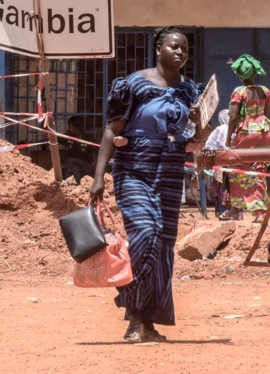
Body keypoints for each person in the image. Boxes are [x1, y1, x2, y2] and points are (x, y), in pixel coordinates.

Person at [89, 26, 209, 343]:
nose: (181, 52)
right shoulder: (134, 84)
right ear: (158, 48)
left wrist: (198, 123)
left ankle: (147, 322)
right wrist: (99, 176)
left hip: (170, 172)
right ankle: (133, 313)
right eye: (174, 46)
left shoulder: (190, 91)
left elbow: (197, 140)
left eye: (185, 48)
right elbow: (110, 130)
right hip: (134, 170)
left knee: (163, 247)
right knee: (145, 233)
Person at [222, 54, 270, 224]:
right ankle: (259, 212)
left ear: (240, 75)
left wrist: (228, 139)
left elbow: (233, 118)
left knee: (237, 168)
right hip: (264, 132)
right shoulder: (265, 91)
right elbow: (266, 114)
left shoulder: (239, 92)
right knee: (259, 169)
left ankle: (235, 209)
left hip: (246, 133)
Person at [203, 109, 232, 218]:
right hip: (232, 163)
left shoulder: (219, 130)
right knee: (231, 188)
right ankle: (233, 213)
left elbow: (209, 145)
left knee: (223, 189)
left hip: (221, 163)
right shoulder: (235, 129)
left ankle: (223, 212)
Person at [60, 116, 98, 184]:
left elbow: (99, 151)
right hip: (74, 166)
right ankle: (75, 186)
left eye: (70, 127)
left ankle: (65, 182)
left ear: (77, 127)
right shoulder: (68, 138)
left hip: (86, 166)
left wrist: (95, 161)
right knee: (75, 168)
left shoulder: (88, 139)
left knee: (70, 160)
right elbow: (55, 138)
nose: (68, 129)